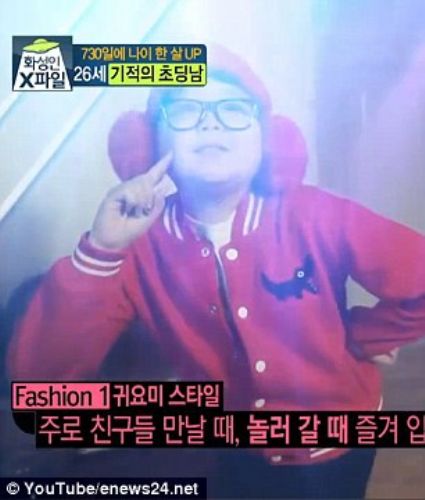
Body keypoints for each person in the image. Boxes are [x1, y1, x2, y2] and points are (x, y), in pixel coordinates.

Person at [6, 46, 425, 498]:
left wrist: (364, 336)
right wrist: (102, 251)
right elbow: (41, 380)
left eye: (234, 109)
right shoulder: (136, 246)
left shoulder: (315, 213)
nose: (211, 123)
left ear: (268, 139)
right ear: (150, 143)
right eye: (187, 109)